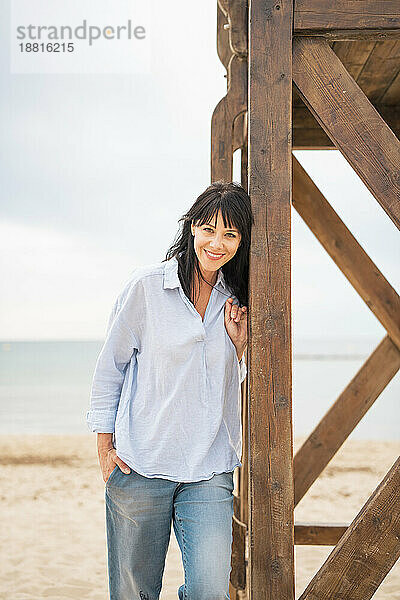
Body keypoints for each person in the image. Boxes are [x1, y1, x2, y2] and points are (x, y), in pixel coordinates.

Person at [86, 180, 254, 599]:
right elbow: (110, 369)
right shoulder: (146, 288)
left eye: (231, 234)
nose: (218, 243)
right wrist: (105, 450)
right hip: (141, 466)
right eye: (209, 229)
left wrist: (239, 349)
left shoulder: (234, 300)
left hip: (209, 469)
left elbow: (226, 384)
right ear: (192, 227)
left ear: (241, 241)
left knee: (210, 590)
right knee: (133, 592)